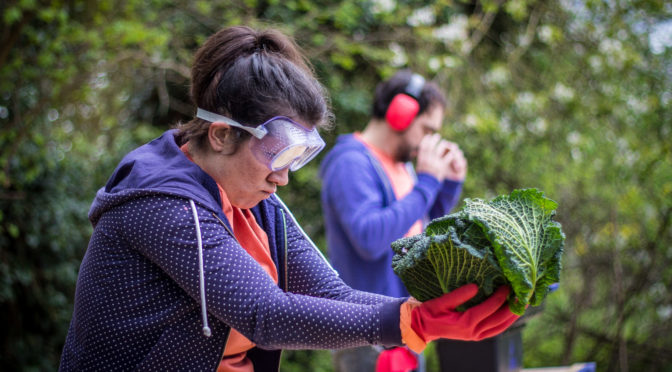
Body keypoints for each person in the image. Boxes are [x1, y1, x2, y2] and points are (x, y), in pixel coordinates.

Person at [59, 27, 519, 372]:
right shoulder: (162, 205)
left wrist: (418, 317)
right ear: (221, 135)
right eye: (277, 154)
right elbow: (265, 313)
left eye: (297, 157)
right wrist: (408, 323)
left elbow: (332, 294)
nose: (283, 178)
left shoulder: (253, 198)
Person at [319, 70, 468, 371]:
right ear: (400, 114)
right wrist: (427, 183)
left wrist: (447, 184)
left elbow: (420, 238)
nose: (428, 142)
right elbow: (371, 239)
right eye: (427, 130)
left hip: (406, 329)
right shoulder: (351, 162)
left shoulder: (403, 168)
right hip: (366, 338)